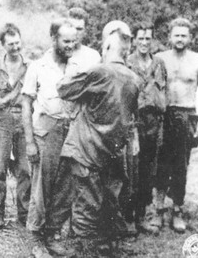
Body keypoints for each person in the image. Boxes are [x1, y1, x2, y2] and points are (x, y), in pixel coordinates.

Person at [56, 20, 140, 255]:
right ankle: (106, 248)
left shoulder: (98, 71)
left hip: (86, 149)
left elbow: (63, 88)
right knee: (107, 202)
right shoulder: (134, 79)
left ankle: (89, 251)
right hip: (112, 153)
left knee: (86, 206)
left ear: (106, 48)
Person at [21, 12, 100, 256]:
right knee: (42, 187)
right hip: (47, 131)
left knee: (66, 187)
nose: (71, 45)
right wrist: (30, 142)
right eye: (66, 41)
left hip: (72, 131)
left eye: (74, 41)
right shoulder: (38, 66)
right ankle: (35, 236)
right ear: (54, 38)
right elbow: (26, 105)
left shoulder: (78, 66)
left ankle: (53, 234)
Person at [154, 18, 198, 233]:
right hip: (164, 115)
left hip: (186, 114)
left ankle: (177, 209)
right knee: (160, 163)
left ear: (190, 38)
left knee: (180, 165)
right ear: (170, 37)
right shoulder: (160, 58)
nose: (180, 39)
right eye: (176, 35)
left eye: (184, 35)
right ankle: (157, 210)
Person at [121, 22, 167, 235]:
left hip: (154, 123)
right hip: (134, 122)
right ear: (134, 40)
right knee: (132, 171)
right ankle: (128, 217)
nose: (144, 42)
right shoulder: (127, 63)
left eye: (148, 38)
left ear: (153, 40)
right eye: (140, 38)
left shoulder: (159, 63)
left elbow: (163, 93)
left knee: (149, 171)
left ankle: (141, 216)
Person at [0, 23, 31, 230]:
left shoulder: (30, 66)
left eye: (17, 43)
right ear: (3, 45)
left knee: (25, 168)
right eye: (10, 44)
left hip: (23, 120)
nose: (15, 47)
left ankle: (25, 214)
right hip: (1, 120)